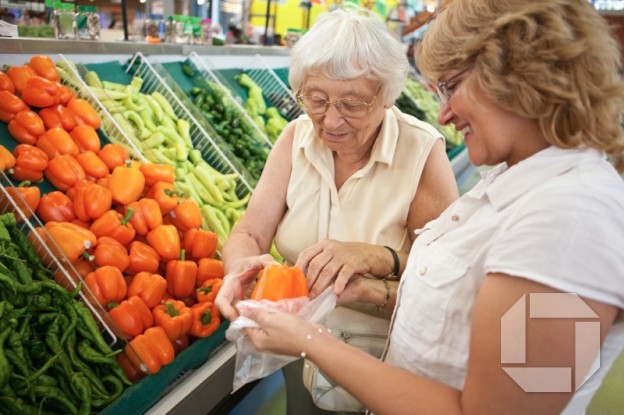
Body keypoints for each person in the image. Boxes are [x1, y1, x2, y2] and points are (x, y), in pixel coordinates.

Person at [238, 0, 624, 414]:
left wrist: (309, 341)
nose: (443, 113)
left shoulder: (575, 222)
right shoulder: (516, 187)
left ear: (520, 76)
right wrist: (365, 289)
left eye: (451, 86)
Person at [214, 5, 459, 415]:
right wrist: (239, 266)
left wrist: (377, 260)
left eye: (352, 103)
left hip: (384, 365)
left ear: (387, 96)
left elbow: (446, 282)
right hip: (295, 354)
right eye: (316, 99)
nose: (330, 119)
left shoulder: (421, 151)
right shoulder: (296, 137)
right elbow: (250, 233)